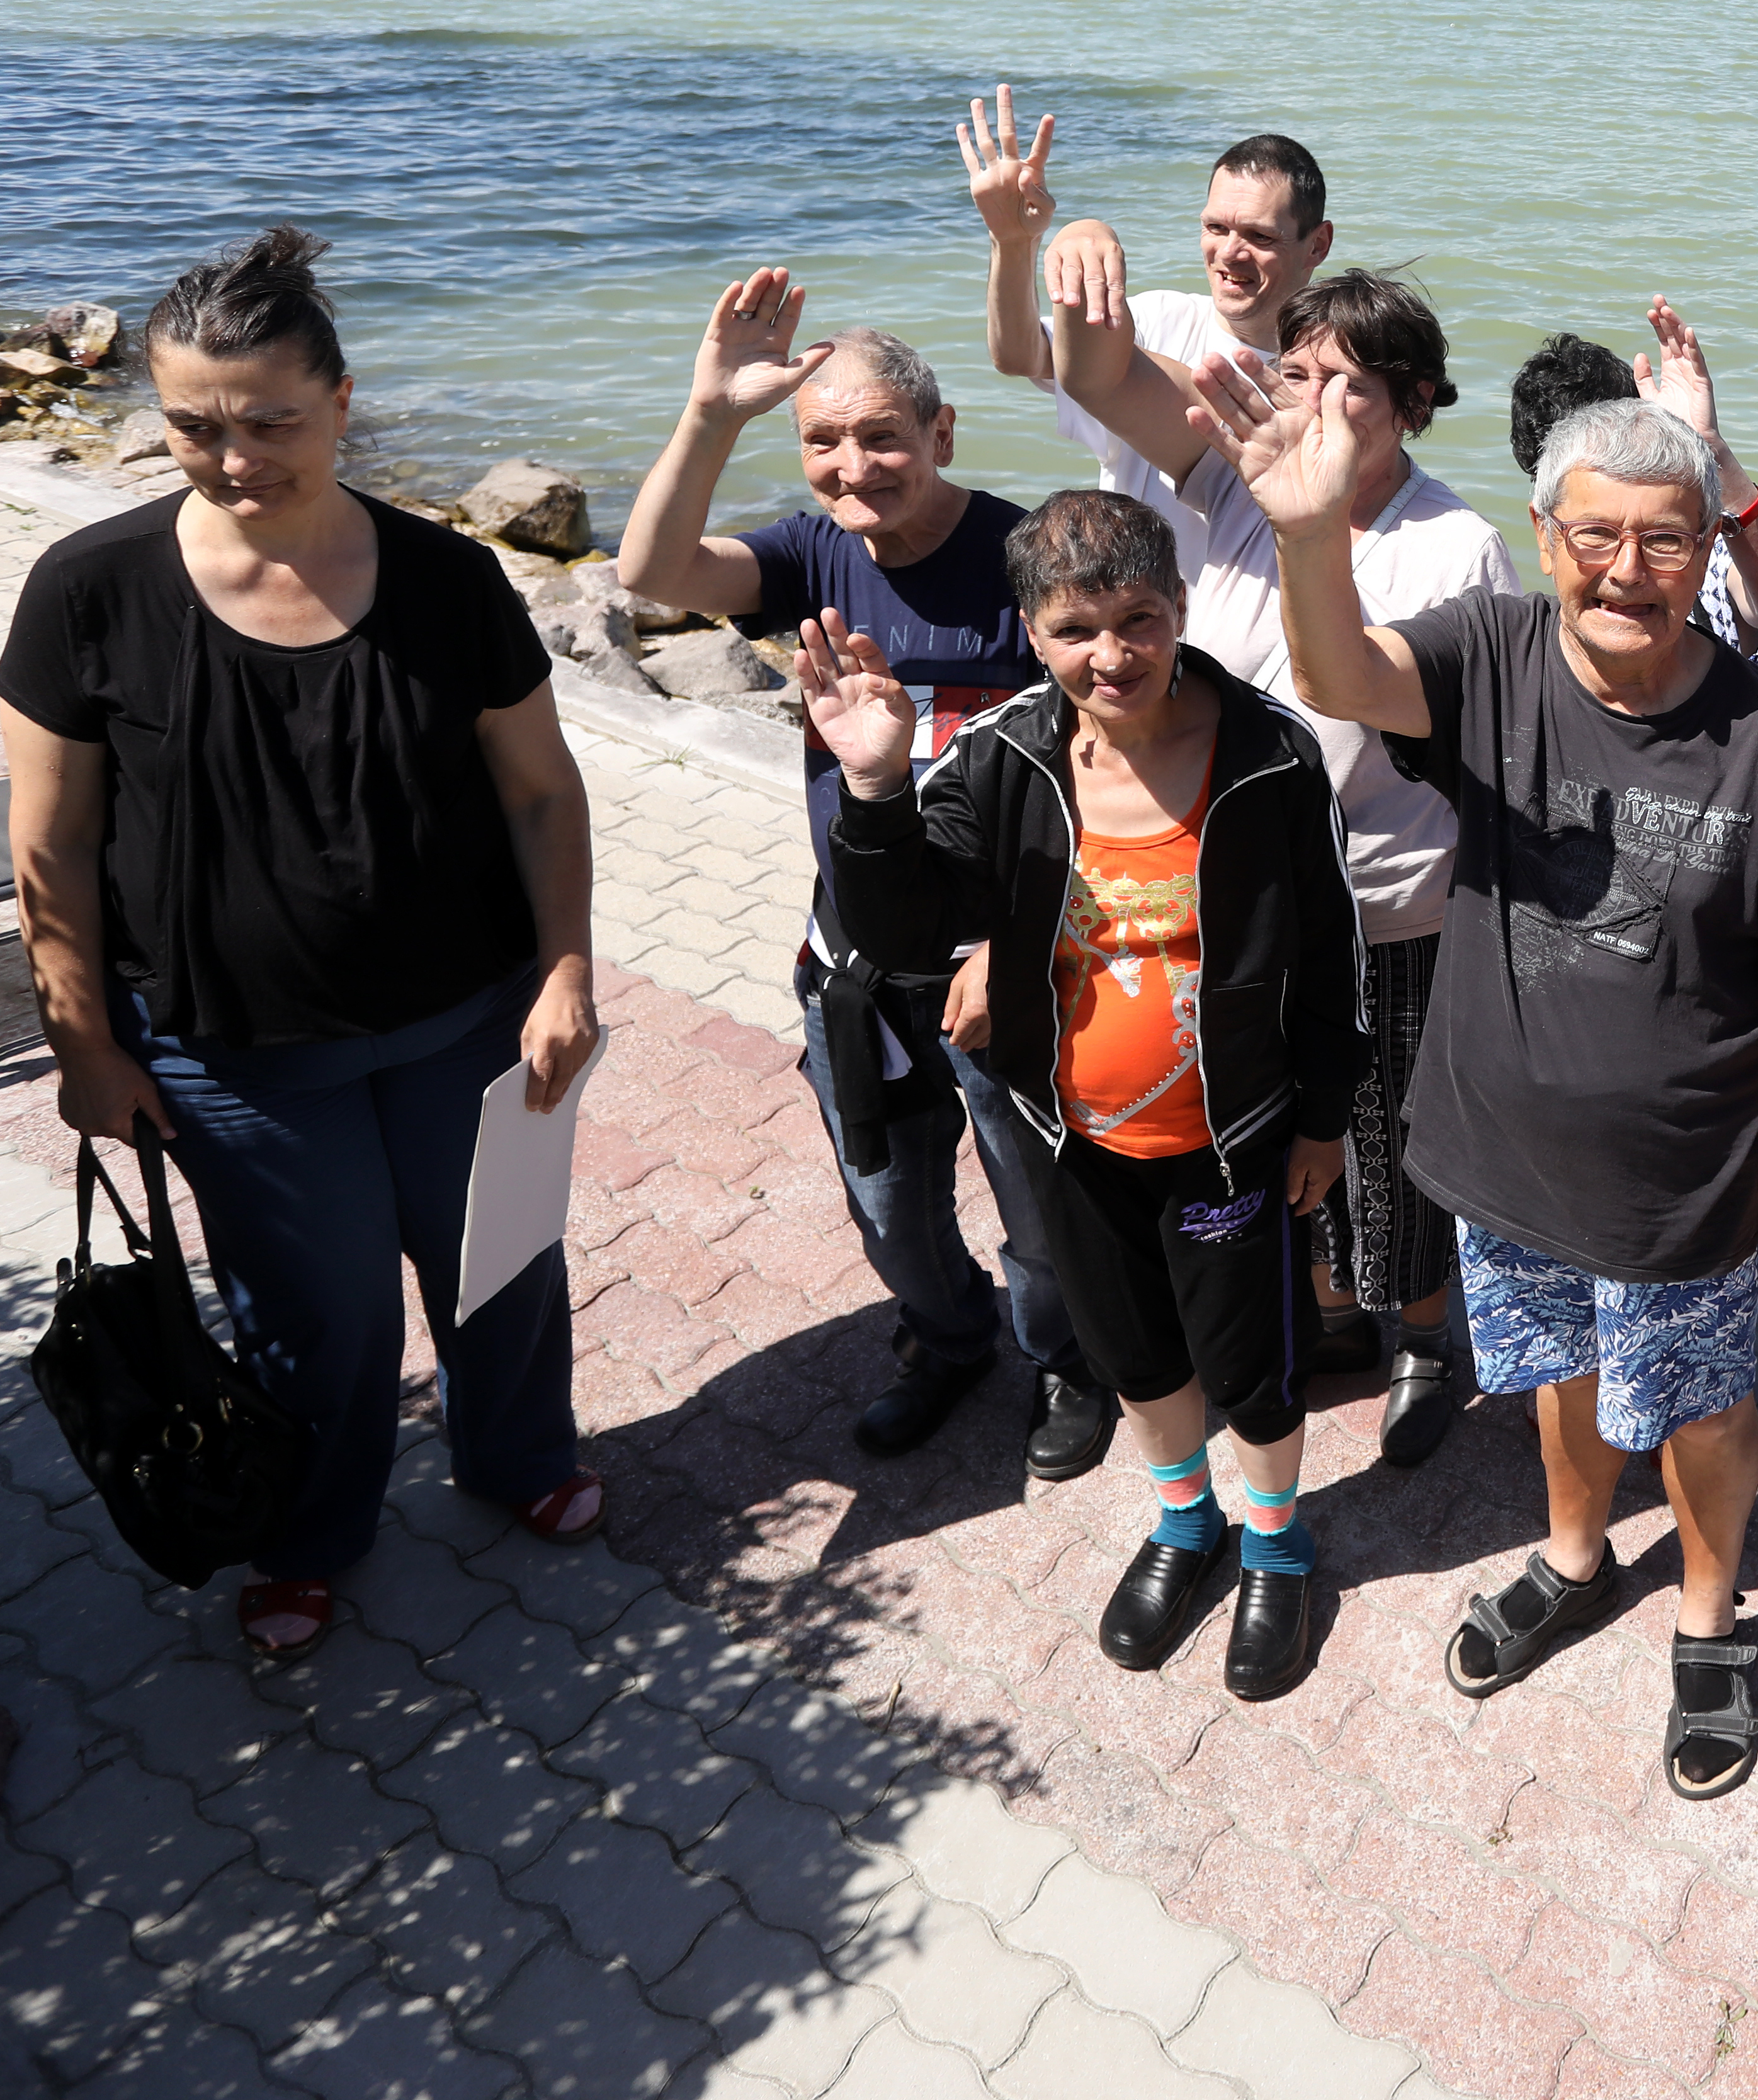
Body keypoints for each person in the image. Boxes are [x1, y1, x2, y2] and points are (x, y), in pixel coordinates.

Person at [1206, 370, 1758, 1800]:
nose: (1630, 569)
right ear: (1546, 536)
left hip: (1687, 1182)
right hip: (1500, 1156)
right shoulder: (1491, 653)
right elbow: (1336, 680)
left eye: (1668, 539)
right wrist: (1312, 535)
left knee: (1702, 1409)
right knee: (1554, 1371)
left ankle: (1704, 1620)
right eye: (1598, 535)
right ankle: (1573, 1555)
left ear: (1708, 550)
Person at [0, 227, 604, 1661]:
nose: (234, 455)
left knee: (506, 1264)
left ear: (339, 399)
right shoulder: (89, 592)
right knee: (309, 1322)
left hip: (475, 1020)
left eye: (270, 421)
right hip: (239, 1060)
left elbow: (541, 790)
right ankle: (313, 1530)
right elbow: (49, 847)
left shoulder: (450, 582)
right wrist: (80, 1042)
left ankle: (517, 1458)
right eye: (194, 424)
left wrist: (569, 968)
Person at [799, 491, 1364, 1700]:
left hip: (1232, 1141)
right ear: (1032, 631)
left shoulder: (1271, 756)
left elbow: (1330, 954)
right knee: (1136, 1361)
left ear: (1180, 605)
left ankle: (1277, 1538)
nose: (1112, 656)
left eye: (1138, 619)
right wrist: (877, 789)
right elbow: (903, 931)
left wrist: (1323, 1118)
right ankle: (1183, 1524)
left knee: (1251, 1367)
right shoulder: (1003, 756)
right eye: (1073, 630)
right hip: (1071, 1135)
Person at [1016, 221, 1518, 1463]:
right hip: (1242, 904)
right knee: (1287, 1140)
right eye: (1301, 371)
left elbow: (1474, 742)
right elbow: (1096, 376)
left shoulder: (1455, 545)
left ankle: (1422, 1340)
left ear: (1412, 402)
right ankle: (1335, 1313)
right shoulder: (1235, 483)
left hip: (1391, 905)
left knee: (1397, 1148)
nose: (1321, 400)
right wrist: (1053, 240)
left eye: (1356, 380)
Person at [615, 278, 1117, 1478]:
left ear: (942, 434)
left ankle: (1063, 1358)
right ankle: (946, 1344)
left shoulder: (1026, 558)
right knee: (889, 1200)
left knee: (1037, 1208)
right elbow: (651, 570)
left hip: (1007, 960)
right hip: (854, 963)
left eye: (884, 436)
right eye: (824, 442)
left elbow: (1101, 771)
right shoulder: (809, 556)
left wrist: (1009, 944)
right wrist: (710, 412)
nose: (855, 467)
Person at [968, 89, 1330, 511]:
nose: (1230, 253)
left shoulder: (1331, 370)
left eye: (1260, 236)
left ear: (1317, 245)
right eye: (1215, 228)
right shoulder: (1159, 318)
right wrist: (1015, 243)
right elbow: (1020, 356)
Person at [1506, 301, 1758, 679]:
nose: (1626, 570)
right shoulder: (1536, 614)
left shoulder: (1700, 543)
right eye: (1595, 529)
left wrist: (1706, 446)